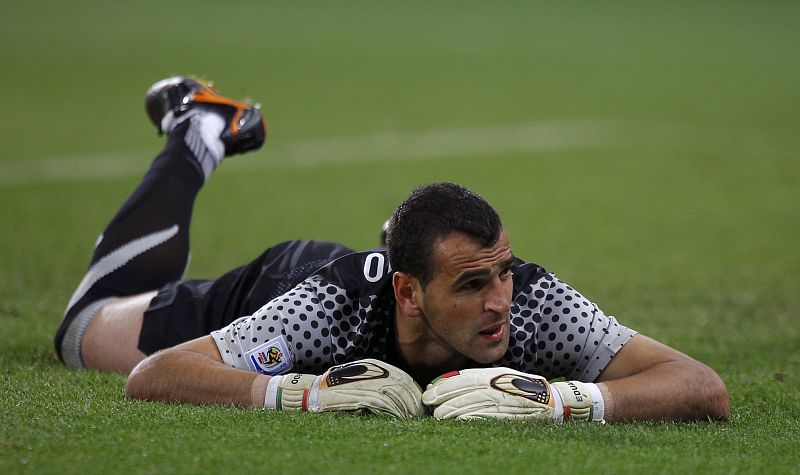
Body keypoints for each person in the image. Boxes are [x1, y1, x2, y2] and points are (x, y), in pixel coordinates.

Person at [55, 76, 729, 422]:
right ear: (408, 292)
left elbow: (703, 386)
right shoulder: (326, 309)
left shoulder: (531, 302)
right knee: (81, 331)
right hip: (274, 284)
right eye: (471, 284)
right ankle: (198, 126)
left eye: (501, 273)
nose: (499, 302)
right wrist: (301, 395)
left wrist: (565, 402)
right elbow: (155, 377)